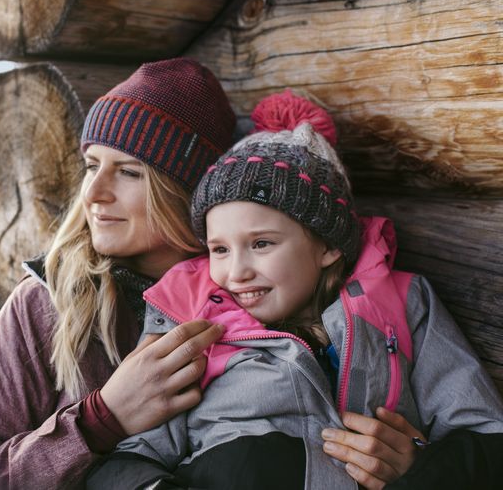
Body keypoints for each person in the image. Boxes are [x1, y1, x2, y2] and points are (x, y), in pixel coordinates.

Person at [87, 90, 503, 489]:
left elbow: (485, 433)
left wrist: (419, 466)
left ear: (327, 245)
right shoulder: (192, 325)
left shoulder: (403, 304)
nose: (237, 272)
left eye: (262, 244)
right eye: (219, 249)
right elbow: (133, 456)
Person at [0, 58, 238, 489]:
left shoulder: (257, 295)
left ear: (187, 189)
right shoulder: (46, 304)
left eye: (129, 171)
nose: (93, 192)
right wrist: (99, 421)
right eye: (92, 165)